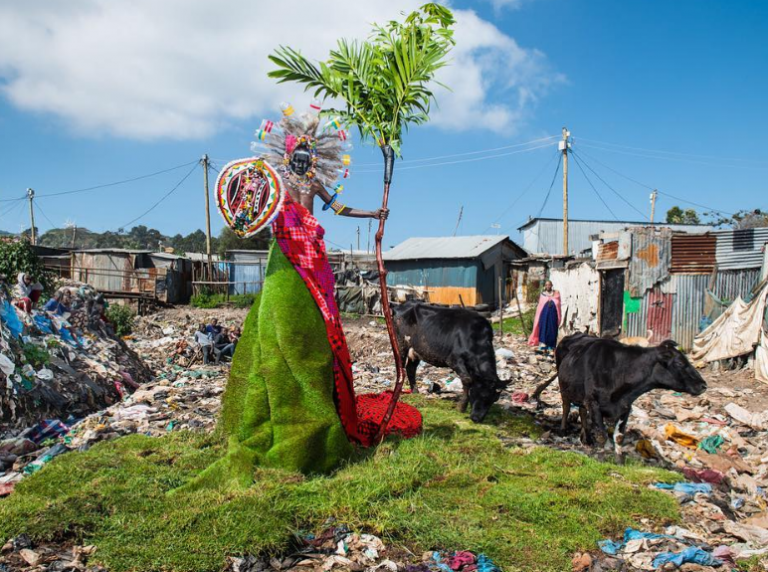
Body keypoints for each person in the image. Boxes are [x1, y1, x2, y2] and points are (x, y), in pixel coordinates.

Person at [186, 103, 422, 490]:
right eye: (295, 155)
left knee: (318, 324)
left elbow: (339, 207)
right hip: (287, 255)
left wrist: (374, 214)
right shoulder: (276, 183)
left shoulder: (312, 184)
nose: (300, 161)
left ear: (311, 157)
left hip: (312, 253)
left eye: (305, 156)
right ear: (286, 154)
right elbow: (253, 204)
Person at [528, 280, 562, 352]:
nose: (547, 286)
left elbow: (558, 305)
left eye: (549, 285)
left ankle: (551, 348)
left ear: (552, 285)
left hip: (553, 316)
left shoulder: (556, 294)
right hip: (544, 316)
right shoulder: (543, 295)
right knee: (543, 329)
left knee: (552, 330)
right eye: (546, 285)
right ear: (545, 286)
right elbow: (540, 307)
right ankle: (544, 348)